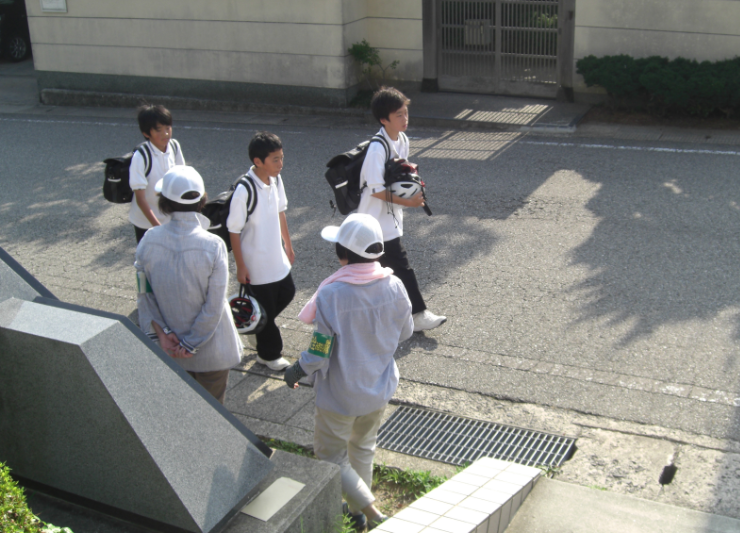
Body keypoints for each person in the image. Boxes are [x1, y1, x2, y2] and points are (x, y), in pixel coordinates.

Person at [285, 213, 413, 530]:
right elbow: (406, 332)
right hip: (379, 386)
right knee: (362, 449)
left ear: (342, 252)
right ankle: (357, 513)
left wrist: (297, 370)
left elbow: (319, 351)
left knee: (331, 457)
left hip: (340, 395)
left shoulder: (332, 294)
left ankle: (373, 514)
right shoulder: (395, 285)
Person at [135, 165, 242, 404]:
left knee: (180, 411)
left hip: (168, 349)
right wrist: (190, 344)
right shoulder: (214, 245)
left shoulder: (148, 240)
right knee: (213, 413)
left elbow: (144, 293)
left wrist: (163, 333)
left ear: (164, 203)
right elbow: (214, 305)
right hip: (212, 351)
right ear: (201, 201)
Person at [357, 86, 446, 332]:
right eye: (399, 115)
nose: (405, 118)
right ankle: (418, 314)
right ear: (384, 119)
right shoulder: (377, 148)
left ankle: (373, 317)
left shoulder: (402, 139)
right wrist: (409, 202)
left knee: (373, 272)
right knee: (397, 267)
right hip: (373, 221)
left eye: (406, 113)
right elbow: (375, 190)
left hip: (389, 217)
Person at [227, 131, 296, 371]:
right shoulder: (244, 189)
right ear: (258, 161)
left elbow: (280, 211)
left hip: (276, 257)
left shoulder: (276, 179)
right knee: (266, 307)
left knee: (287, 292)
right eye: (275, 159)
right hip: (256, 263)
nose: (281, 163)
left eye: (281, 157)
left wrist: (288, 244)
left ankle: (256, 325)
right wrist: (240, 266)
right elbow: (233, 230)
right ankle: (269, 355)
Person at [129, 104, 185, 244]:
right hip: (146, 222)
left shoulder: (174, 146)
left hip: (170, 219)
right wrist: (158, 228)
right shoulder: (141, 156)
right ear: (146, 133)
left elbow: (182, 179)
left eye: (168, 128)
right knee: (150, 257)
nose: (165, 134)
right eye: (158, 130)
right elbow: (140, 199)